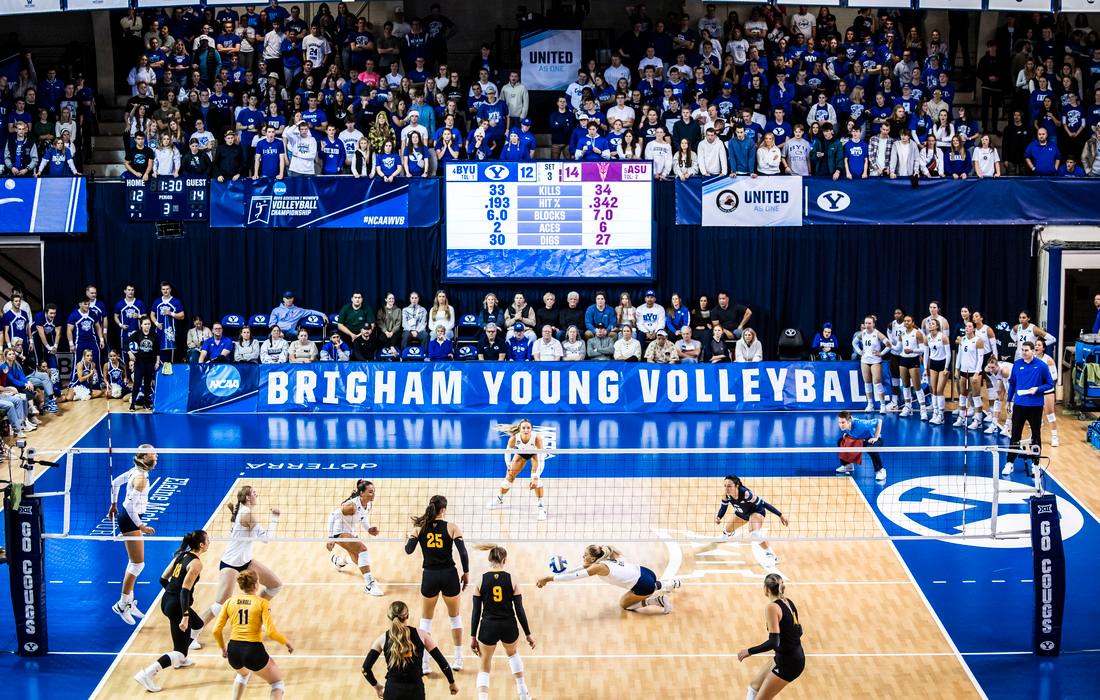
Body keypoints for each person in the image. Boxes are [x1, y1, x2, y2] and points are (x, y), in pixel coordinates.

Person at [196, 485, 283, 650]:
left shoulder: (243, 511)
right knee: (220, 605)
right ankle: (192, 633)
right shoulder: (246, 514)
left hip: (246, 562)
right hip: (231, 564)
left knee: (275, 585)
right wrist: (274, 517)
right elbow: (266, 538)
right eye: (255, 494)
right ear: (249, 498)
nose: (257, 496)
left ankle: (256, 617)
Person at [133, 530, 208, 692]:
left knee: (199, 624)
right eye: (207, 540)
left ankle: (182, 658)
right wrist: (185, 615)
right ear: (201, 545)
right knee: (178, 651)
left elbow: (163, 578)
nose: (209, 542)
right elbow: (184, 591)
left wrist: (173, 596)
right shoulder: (196, 564)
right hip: (177, 605)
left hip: (168, 600)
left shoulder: (181, 555)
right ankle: (147, 673)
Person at [404, 495, 469, 674]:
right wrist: (466, 572)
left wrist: (410, 536)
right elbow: (463, 553)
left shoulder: (420, 528)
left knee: (426, 621)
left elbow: (408, 550)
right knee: (454, 617)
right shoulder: (452, 527)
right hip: (449, 575)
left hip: (430, 576)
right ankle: (458, 659)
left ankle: (425, 664)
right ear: (443, 510)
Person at [212, 569, 294, 700]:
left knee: (242, 675)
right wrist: (286, 642)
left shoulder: (229, 602)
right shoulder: (262, 603)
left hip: (233, 651)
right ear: (256, 585)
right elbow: (270, 632)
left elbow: (216, 630)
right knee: (277, 683)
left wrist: (223, 648)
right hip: (253, 651)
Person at [535, 544, 680, 614]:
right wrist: (551, 577)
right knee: (645, 585)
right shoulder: (604, 559)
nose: (582, 557)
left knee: (624, 605)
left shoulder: (598, 567)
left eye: (584, 555)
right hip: (646, 572)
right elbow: (577, 569)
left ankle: (658, 600)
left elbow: (572, 576)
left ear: (592, 558)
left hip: (643, 584)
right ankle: (668, 583)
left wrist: (548, 578)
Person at [470, 544, 535, 700]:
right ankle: (523, 693)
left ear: (489, 559)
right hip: (508, 626)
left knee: (484, 664)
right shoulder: (512, 579)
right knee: (513, 655)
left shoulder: (480, 580)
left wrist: (473, 636)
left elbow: (476, 612)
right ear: (504, 560)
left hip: (487, 627)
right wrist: (528, 634)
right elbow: (519, 610)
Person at [362, 600, 459, 698]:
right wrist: (452, 682)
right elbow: (442, 662)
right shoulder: (422, 635)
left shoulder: (382, 639)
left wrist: (377, 687)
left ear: (390, 617)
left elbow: (365, 668)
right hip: (415, 692)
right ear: (407, 615)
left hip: (392, 691)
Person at [109, 445, 159, 626]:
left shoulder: (136, 471)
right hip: (131, 519)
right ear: (144, 457)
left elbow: (114, 483)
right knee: (138, 564)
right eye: (153, 453)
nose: (157, 455)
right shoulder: (140, 479)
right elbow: (130, 507)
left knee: (136, 563)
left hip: (128, 517)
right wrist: (142, 526)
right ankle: (122, 604)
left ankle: (128, 602)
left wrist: (114, 504)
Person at [736, 574, 805, 700]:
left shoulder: (772, 608)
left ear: (766, 589)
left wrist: (749, 651)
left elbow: (774, 642)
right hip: (786, 656)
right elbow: (799, 631)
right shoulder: (788, 602)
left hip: (789, 662)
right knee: (753, 688)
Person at [1001, 342, 1054, 477]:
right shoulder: (1017, 364)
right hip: (1019, 405)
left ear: (1032, 352)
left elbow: (1050, 384)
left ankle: (1035, 464)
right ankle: (1010, 463)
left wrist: (1037, 389)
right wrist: (1008, 401)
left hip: (1035, 407)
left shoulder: (1041, 366)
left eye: (1026, 350)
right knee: (1015, 435)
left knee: (1036, 435)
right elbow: (1012, 383)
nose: (1024, 352)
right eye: (1022, 350)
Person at [716, 475, 789, 569]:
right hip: (741, 514)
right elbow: (723, 506)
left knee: (755, 534)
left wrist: (780, 515)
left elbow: (764, 504)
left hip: (756, 512)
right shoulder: (726, 494)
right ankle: (728, 535)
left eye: (729, 486)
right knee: (727, 531)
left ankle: (771, 555)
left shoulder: (746, 494)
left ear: (737, 485)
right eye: (725, 485)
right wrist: (719, 517)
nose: (726, 488)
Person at [327, 479, 384, 596]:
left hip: (350, 531)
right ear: (362, 493)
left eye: (373, 491)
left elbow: (363, 517)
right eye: (370, 492)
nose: (373, 494)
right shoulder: (352, 506)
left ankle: (338, 561)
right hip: (339, 532)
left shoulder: (368, 504)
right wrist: (330, 537)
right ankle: (370, 585)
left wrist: (368, 528)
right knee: (362, 550)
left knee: (357, 559)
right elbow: (332, 516)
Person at [489, 419, 548, 521]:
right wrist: (508, 465)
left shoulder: (537, 438)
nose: (526, 430)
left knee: (536, 481)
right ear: (520, 429)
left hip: (535, 455)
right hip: (521, 453)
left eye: (528, 428)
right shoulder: (514, 438)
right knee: (507, 480)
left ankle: (542, 508)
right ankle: (500, 498)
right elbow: (507, 452)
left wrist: (536, 477)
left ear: (532, 429)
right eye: (523, 428)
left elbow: (541, 458)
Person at [953, 321, 986, 430]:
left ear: (974, 329)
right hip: (963, 370)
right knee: (962, 395)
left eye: (970, 326)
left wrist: (977, 373)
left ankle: (978, 420)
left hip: (974, 372)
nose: (967, 328)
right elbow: (959, 355)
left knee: (975, 396)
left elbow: (981, 358)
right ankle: (961, 418)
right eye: (966, 326)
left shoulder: (978, 341)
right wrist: (957, 369)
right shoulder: (962, 340)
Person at [836, 410, 887, 482]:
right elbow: (854, 432)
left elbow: (879, 421)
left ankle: (880, 470)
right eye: (839, 422)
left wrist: (876, 437)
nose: (841, 425)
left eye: (843, 422)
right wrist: (848, 435)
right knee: (841, 441)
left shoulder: (861, 424)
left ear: (849, 421)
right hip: (860, 440)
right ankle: (848, 466)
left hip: (872, 440)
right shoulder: (846, 426)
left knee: (871, 449)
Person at [854, 316, 890, 413]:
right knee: (867, 383)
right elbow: (854, 343)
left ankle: (883, 405)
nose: (868, 325)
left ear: (873, 324)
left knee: (877, 382)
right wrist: (859, 351)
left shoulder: (877, 333)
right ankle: (870, 404)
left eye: (870, 323)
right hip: (865, 360)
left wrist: (881, 353)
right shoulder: (863, 333)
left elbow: (888, 345)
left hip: (875, 361)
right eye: (866, 323)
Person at [895, 316, 928, 420]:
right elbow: (898, 348)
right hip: (903, 360)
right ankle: (908, 407)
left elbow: (923, 349)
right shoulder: (901, 333)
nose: (906, 322)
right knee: (905, 385)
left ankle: (923, 410)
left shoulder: (917, 333)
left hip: (913, 360)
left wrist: (912, 351)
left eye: (908, 321)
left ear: (913, 322)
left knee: (917, 386)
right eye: (905, 321)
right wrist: (888, 345)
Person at [127, 318, 160, 410]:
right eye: (145, 324)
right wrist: (130, 352)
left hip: (150, 363)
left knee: (147, 384)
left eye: (149, 324)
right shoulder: (137, 334)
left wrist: (157, 362)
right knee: (137, 383)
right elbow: (126, 343)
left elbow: (157, 350)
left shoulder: (154, 335)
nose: (147, 326)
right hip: (139, 363)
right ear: (141, 325)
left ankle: (146, 403)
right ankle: (132, 404)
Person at [924, 319, 952, 425]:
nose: (930, 325)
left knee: (940, 390)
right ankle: (935, 413)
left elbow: (948, 354)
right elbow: (926, 354)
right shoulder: (927, 338)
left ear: (937, 326)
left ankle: (941, 415)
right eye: (929, 324)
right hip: (933, 364)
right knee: (934, 390)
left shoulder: (943, 337)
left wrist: (946, 368)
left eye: (932, 324)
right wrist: (926, 369)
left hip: (943, 363)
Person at [1034, 338, 1059, 448]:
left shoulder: (1048, 360)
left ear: (1043, 348)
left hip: (1047, 390)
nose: (1037, 347)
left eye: (1039, 345)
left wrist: (1041, 381)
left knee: (1050, 414)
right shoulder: (1031, 359)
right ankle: (1035, 437)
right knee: (1034, 415)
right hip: (1035, 391)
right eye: (1035, 345)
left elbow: (1054, 377)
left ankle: (1054, 437)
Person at [150, 281, 184, 363]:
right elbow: (152, 314)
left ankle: (169, 373)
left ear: (170, 290)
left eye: (167, 289)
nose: (165, 291)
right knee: (159, 353)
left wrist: (171, 313)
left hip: (171, 333)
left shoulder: (176, 301)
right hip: (159, 332)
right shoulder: (157, 302)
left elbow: (182, 316)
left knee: (170, 356)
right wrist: (156, 323)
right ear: (161, 290)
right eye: (163, 289)